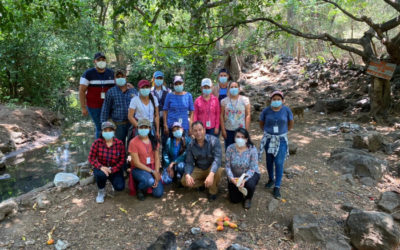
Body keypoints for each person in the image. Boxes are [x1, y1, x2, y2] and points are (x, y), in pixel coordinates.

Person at [259, 90, 294, 199]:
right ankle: (271, 179)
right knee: (269, 161)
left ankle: (277, 186)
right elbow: (261, 123)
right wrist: (269, 132)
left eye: (279, 99)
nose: (276, 101)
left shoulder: (286, 110)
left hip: (281, 139)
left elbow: (290, 123)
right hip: (269, 139)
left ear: (283, 100)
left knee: (279, 162)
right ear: (271, 100)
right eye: (274, 99)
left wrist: (282, 132)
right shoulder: (266, 111)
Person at [182, 121, 223, 201]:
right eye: (195, 131)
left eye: (200, 130)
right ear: (192, 132)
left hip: (211, 168)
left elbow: (217, 159)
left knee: (218, 170)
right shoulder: (191, 145)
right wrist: (187, 174)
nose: (198, 133)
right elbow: (189, 162)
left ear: (204, 130)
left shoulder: (214, 141)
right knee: (184, 181)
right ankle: (204, 183)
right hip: (200, 168)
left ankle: (212, 191)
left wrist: (211, 174)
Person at [88, 121, 126, 203]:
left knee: (120, 187)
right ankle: (101, 191)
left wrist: (113, 169)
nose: (108, 132)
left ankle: (112, 182)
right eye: (105, 130)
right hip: (101, 168)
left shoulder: (119, 144)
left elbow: (122, 159)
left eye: (110, 130)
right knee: (100, 174)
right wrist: (101, 167)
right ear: (102, 132)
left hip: (114, 169)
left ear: (114, 131)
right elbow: (91, 158)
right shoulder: (97, 143)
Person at [80, 52, 115, 138]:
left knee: (110, 127)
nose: (101, 61)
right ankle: (98, 149)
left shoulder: (111, 73)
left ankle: (110, 147)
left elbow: (117, 88)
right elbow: (81, 91)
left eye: (103, 59)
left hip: (109, 106)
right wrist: (83, 107)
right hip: (94, 106)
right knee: (100, 127)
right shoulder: (88, 74)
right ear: (94, 61)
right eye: (98, 60)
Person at [128, 119, 163, 200]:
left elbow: (157, 158)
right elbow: (136, 163)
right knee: (150, 181)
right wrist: (152, 172)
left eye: (146, 127)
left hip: (152, 167)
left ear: (149, 128)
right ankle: (140, 188)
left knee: (158, 193)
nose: (143, 129)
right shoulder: (133, 142)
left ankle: (146, 182)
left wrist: (157, 173)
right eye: (141, 127)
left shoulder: (154, 140)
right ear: (137, 128)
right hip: (139, 168)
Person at [225, 128, 260, 209]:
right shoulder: (230, 148)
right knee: (235, 200)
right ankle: (239, 191)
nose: (240, 139)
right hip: (235, 176)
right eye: (238, 137)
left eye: (243, 137)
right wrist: (231, 178)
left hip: (249, 174)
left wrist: (244, 180)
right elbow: (227, 166)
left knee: (249, 185)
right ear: (234, 138)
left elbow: (253, 167)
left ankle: (248, 198)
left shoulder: (252, 149)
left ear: (246, 139)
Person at [100, 69, 137, 144]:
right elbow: (105, 109)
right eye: (118, 77)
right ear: (115, 79)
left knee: (132, 145)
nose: (120, 78)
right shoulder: (111, 92)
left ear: (126, 78)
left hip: (132, 123)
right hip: (118, 125)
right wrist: (103, 125)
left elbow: (139, 105)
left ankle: (129, 156)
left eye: (122, 76)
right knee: (119, 146)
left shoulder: (133, 91)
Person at [220, 81, 251, 149]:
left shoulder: (245, 100)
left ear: (239, 89)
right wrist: (223, 130)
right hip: (228, 130)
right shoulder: (224, 101)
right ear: (228, 89)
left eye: (235, 87)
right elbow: (221, 115)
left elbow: (248, 115)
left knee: (241, 149)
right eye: (232, 87)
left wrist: (246, 130)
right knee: (229, 149)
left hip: (241, 131)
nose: (233, 88)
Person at [151, 71, 171, 149]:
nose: (159, 80)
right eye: (157, 78)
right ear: (153, 79)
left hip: (165, 118)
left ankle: (164, 159)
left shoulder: (168, 91)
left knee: (165, 139)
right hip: (154, 118)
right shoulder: (150, 91)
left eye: (160, 78)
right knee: (154, 138)